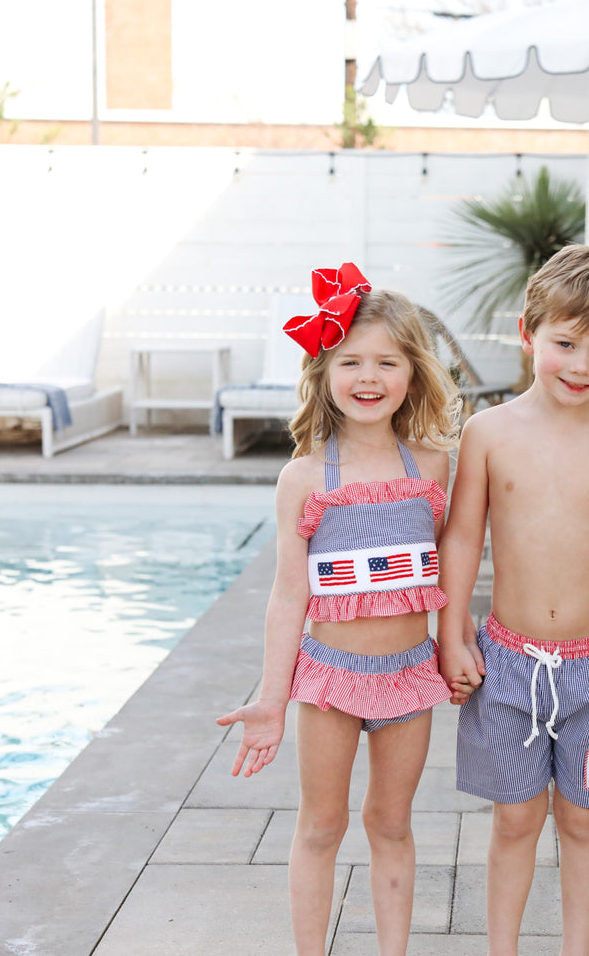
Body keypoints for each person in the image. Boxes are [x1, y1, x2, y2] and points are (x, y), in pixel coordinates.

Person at [436, 244, 589, 956]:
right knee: (514, 820)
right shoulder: (486, 434)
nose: (579, 365)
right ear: (527, 333)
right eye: (564, 343)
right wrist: (452, 635)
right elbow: (459, 542)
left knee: (582, 820)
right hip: (507, 665)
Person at [216, 262, 459, 956]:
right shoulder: (303, 476)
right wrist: (270, 696)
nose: (368, 376)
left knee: (391, 822)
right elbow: (288, 593)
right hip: (329, 679)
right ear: (324, 371)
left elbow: (453, 567)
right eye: (350, 361)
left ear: (412, 372)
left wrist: (457, 647)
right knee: (321, 824)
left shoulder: (433, 466)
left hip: (408, 675)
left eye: (386, 361)